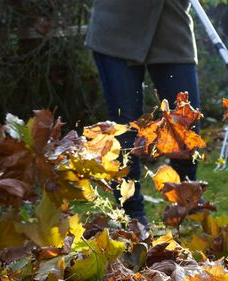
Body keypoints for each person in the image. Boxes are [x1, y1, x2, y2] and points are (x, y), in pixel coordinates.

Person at [86, 0, 201, 228]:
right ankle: (132, 213)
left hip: (170, 19)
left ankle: (184, 203)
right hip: (117, 21)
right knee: (125, 124)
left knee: (185, 120)